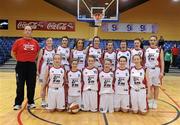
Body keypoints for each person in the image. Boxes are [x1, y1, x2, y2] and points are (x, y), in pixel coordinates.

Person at [11, 26, 40, 110]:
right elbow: (12, 52)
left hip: (31, 65)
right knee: (20, 85)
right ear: (24, 31)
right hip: (21, 65)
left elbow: (38, 52)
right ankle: (18, 103)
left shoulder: (35, 42)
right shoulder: (18, 41)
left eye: (29, 30)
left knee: (31, 85)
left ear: (31, 32)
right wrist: (19, 60)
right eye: (26, 30)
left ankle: (30, 102)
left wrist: (33, 59)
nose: (28, 32)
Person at [145, 35, 164, 109]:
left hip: (156, 69)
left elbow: (162, 61)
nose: (152, 41)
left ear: (156, 41)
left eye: (154, 40)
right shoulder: (146, 49)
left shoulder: (159, 50)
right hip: (148, 70)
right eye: (151, 40)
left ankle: (155, 101)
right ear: (149, 41)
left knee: (156, 86)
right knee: (150, 86)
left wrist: (162, 72)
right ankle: (150, 100)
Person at [36, 38, 56, 107]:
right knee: (43, 86)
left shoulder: (55, 50)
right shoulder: (43, 50)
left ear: (52, 42)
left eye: (50, 41)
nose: (49, 42)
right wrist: (37, 70)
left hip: (52, 71)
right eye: (48, 41)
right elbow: (38, 60)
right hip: (43, 71)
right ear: (46, 42)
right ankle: (43, 101)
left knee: (50, 87)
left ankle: (49, 101)